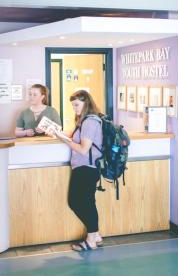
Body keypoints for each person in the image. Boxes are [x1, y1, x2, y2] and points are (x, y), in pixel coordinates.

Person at [56, 90, 103, 251]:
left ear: (86, 103)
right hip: (85, 168)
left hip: (86, 168)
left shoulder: (90, 122)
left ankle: (91, 237)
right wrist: (59, 134)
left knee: (76, 202)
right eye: (73, 105)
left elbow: (83, 149)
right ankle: (95, 235)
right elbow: (76, 139)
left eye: (77, 105)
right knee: (88, 203)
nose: (74, 108)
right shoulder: (84, 120)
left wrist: (64, 140)